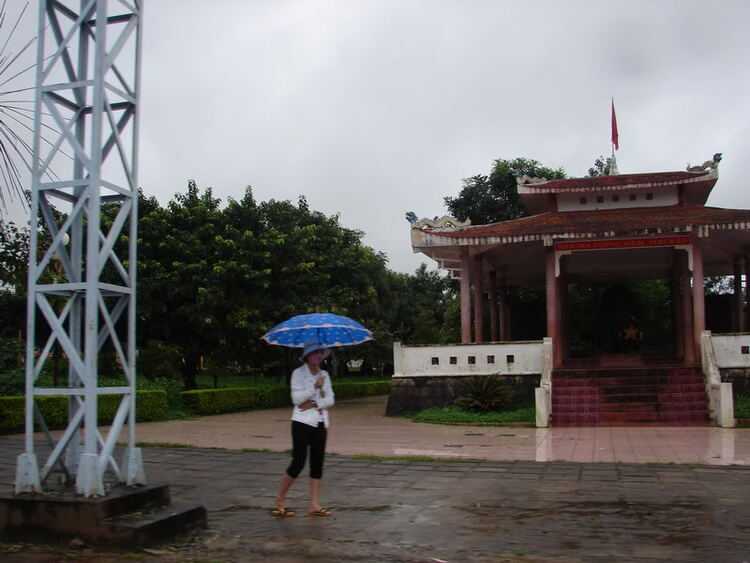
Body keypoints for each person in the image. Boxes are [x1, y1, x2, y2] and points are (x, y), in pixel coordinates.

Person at [273, 341, 335, 517]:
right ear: (307, 356)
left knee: (317, 463)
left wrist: (315, 402)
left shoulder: (325, 374)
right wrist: (313, 387)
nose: (318, 356)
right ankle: (280, 499)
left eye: (320, 353)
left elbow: (330, 400)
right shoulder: (298, 374)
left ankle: (314, 504)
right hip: (302, 422)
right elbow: (297, 399)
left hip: (320, 422)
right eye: (315, 353)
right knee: (298, 462)